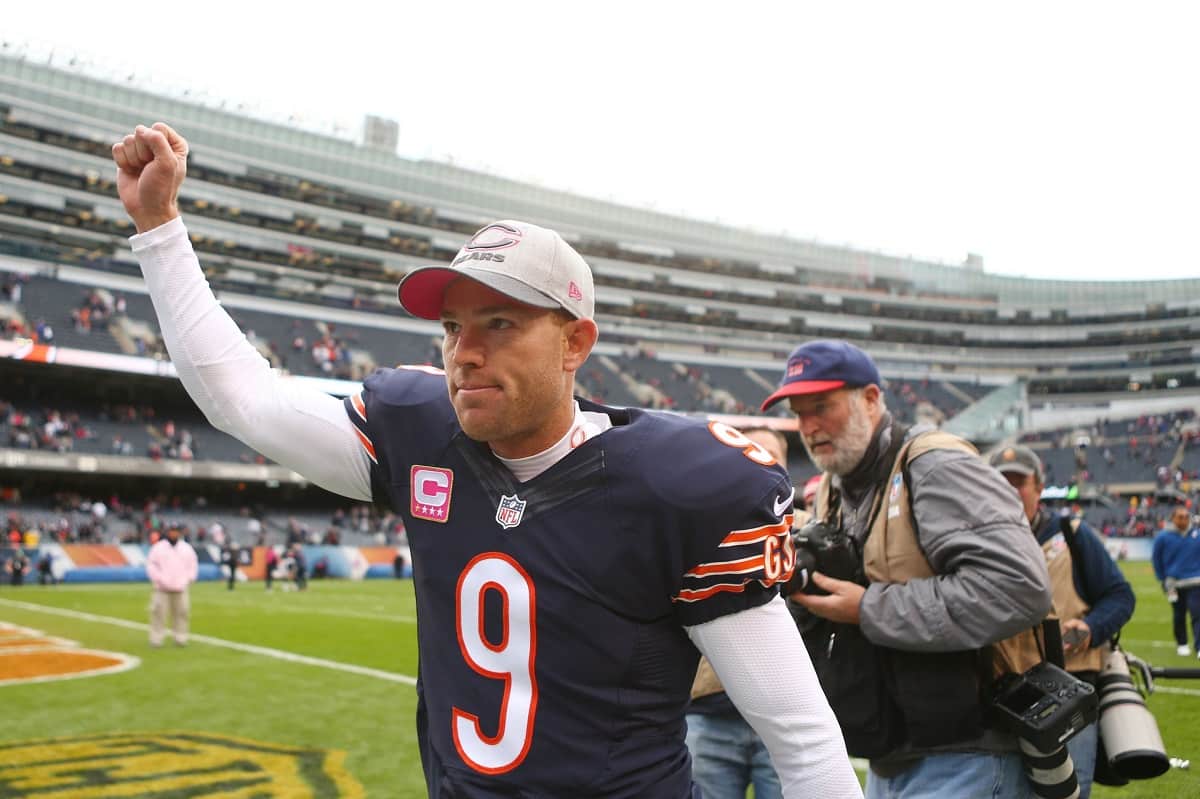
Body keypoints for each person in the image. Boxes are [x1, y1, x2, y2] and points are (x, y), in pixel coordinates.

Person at [111, 123, 861, 798]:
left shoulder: (675, 485)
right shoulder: (419, 435)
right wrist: (159, 227)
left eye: (501, 323)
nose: (465, 352)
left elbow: (800, 736)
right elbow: (242, 400)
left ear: (575, 343)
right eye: (452, 325)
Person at [763, 340, 1054, 799]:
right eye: (799, 413)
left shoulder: (934, 463)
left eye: (822, 406)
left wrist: (868, 609)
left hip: (967, 752)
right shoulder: (834, 486)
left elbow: (1019, 588)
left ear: (872, 399)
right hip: (893, 749)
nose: (809, 427)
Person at [989, 445, 1136, 799]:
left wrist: (1091, 628)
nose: (1010, 491)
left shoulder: (1071, 533)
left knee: (1067, 793)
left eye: (1019, 483)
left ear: (1038, 488)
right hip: (1000, 695)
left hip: (1068, 690)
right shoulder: (976, 542)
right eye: (1000, 483)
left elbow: (1119, 595)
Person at [686, 427, 793, 799]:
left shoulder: (807, 531)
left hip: (783, 718)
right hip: (709, 714)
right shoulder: (693, 526)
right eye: (753, 451)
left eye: (771, 453)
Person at [1151, 506, 1200, 657]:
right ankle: (1182, 644)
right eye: (1180, 517)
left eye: (1186, 516)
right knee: (1179, 615)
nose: (1184, 519)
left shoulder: (1197, 535)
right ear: (1173, 518)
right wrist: (1163, 578)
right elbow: (1156, 559)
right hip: (1174, 584)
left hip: (1195, 582)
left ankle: (1199, 647)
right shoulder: (1163, 537)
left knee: (1197, 614)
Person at [145, 524, 198, 647]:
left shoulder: (186, 548)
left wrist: (188, 579)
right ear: (167, 532)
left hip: (180, 587)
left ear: (179, 533)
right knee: (158, 613)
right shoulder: (158, 548)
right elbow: (151, 565)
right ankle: (156, 639)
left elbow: (193, 565)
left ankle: (180, 638)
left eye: (176, 531)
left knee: (182, 613)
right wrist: (158, 579)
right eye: (171, 531)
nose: (174, 534)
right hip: (162, 588)